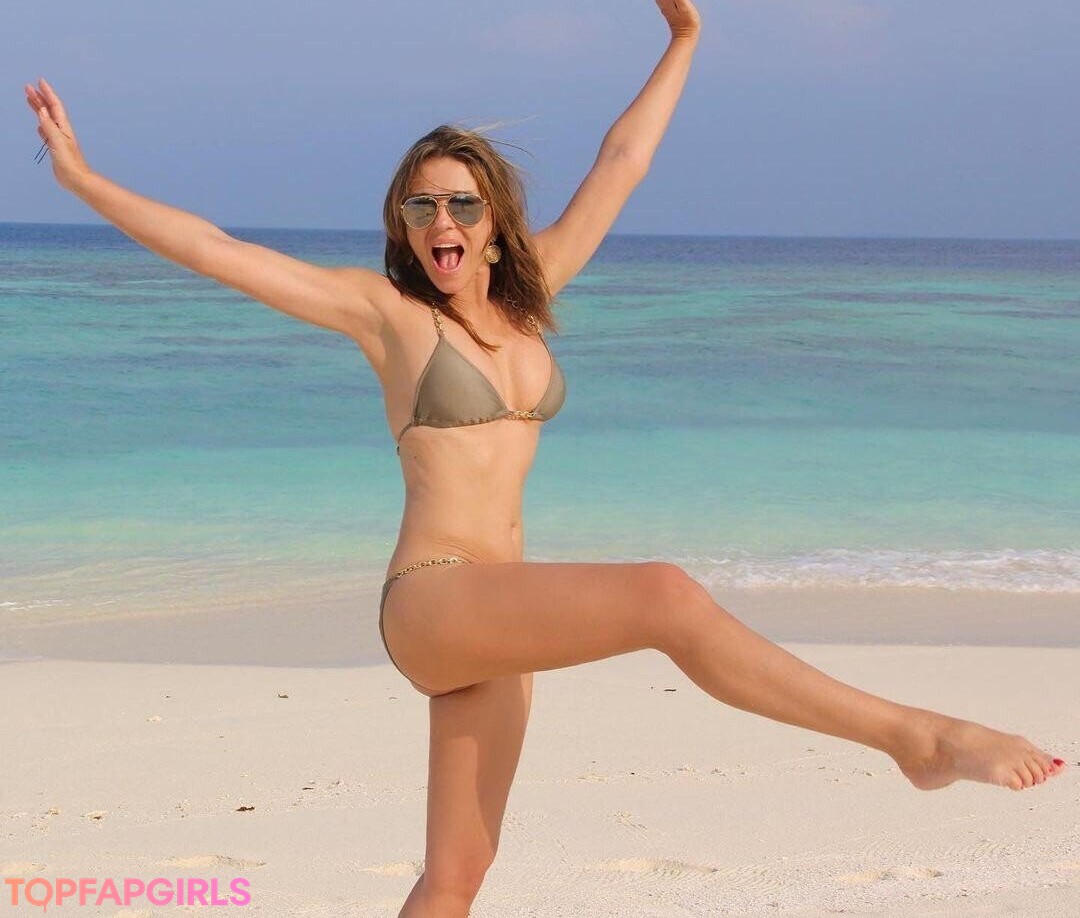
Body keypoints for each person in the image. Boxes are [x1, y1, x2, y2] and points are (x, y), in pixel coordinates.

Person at [26, 2, 1066, 915]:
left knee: (456, 878)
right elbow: (217, 249)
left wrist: (685, 37)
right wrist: (79, 178)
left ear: (493, 224)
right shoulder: (387, 316)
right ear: (403, 224)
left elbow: (622, 163)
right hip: (435, 599)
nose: (441, 220)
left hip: (503, 616)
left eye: (461, 204)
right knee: (664, 595)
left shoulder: (533, 299)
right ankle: (915, 740)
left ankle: (916, 743)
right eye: (421, 205)